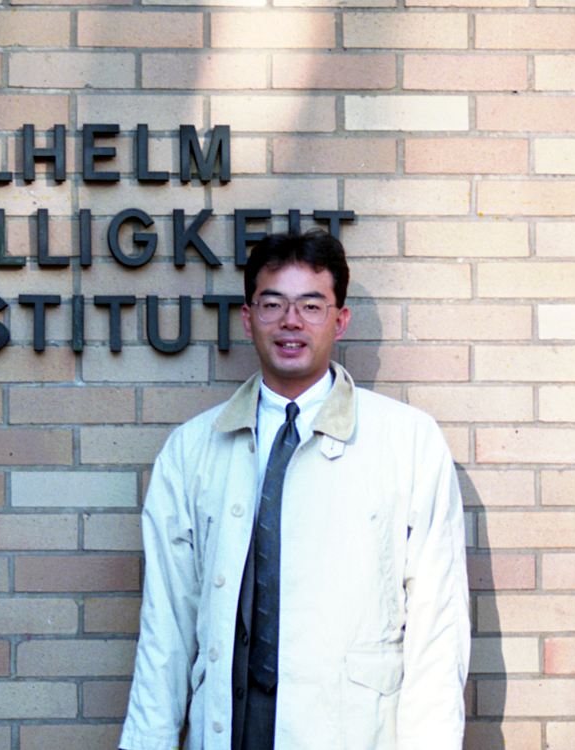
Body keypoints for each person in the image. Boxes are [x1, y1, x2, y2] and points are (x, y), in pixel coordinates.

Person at [119, 231, 470, 750]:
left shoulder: (408, 441)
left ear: (340, 320)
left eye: (311, 305)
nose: (291, 321)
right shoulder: (191, 451)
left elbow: (438, 623)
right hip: (228, 728)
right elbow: (165, 625)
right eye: (273, 304)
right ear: (247, 318)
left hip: (352, 732)